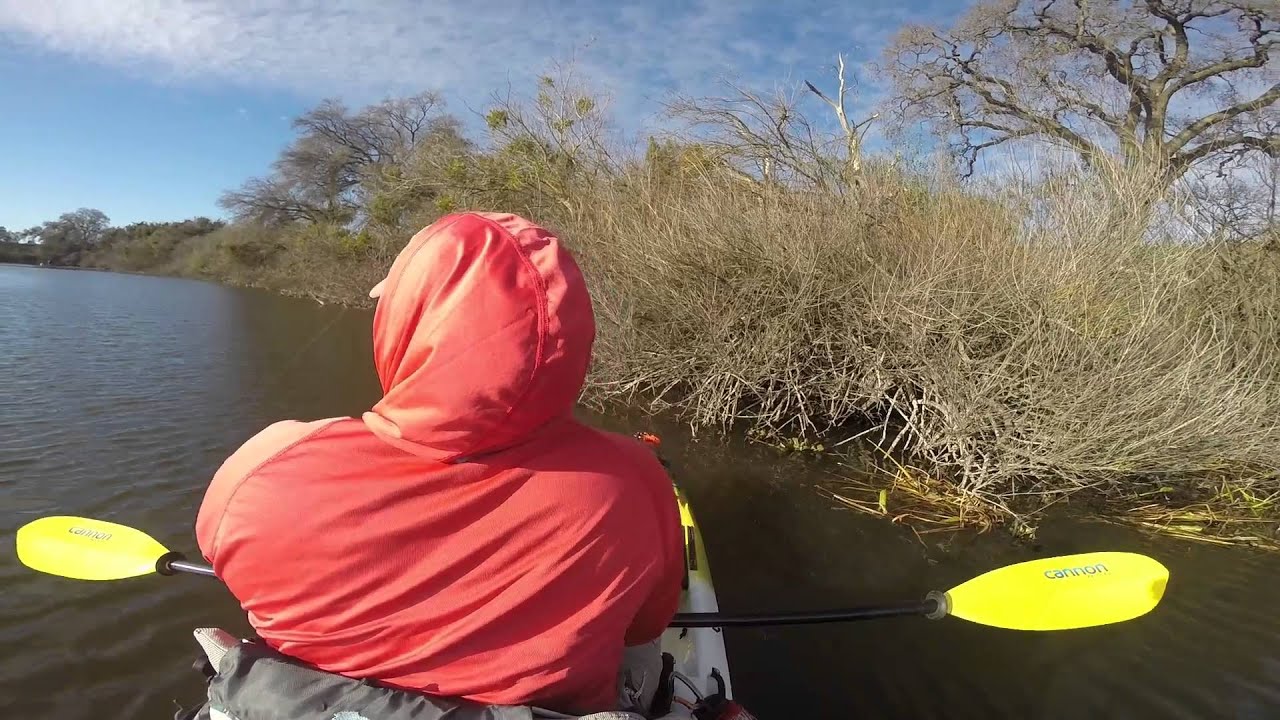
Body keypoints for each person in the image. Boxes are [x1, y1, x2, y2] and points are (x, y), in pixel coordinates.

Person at [194, 211, 685, 716]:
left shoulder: (259, 467)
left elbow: (233, 570)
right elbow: (645, 627)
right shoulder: (639, 480)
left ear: (405, 321)